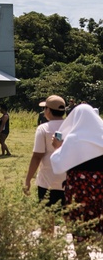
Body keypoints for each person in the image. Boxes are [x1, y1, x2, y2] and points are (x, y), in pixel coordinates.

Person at [48, 103, 103, 243]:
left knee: (78, 224)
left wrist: (57, 148)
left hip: (78, 188)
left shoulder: (73, 139)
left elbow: (58, 165)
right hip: (100, 187)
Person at [24, 94, 67, 207]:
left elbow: (37, 156)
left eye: (45, 108)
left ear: (48, 110)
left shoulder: (43, 128)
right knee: (68, 216)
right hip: (69, 180)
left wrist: (28, 180)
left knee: (47, 216)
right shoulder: (71, 127)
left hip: (48, 181)